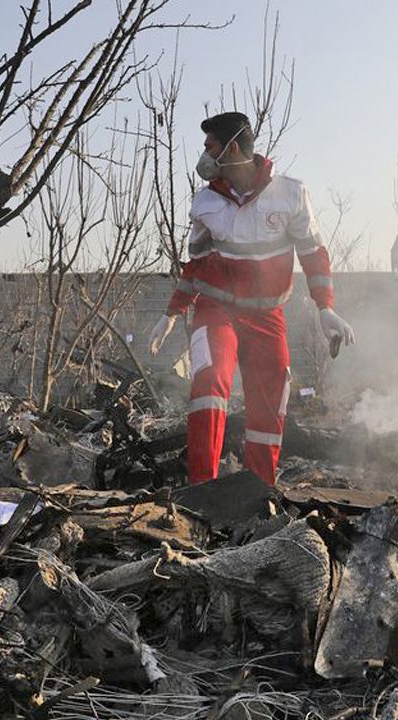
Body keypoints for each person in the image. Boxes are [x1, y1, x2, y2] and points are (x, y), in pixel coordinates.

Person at [148, 111, 355, 485]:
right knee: (210, 383)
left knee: (272, 396)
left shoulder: (290, 194)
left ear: (234, 146)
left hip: (267, 315)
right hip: (216, 311)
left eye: (210, 146)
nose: (205, 155)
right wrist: (172, 313)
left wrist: (326, 307)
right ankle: (202, 490)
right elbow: (195, 265)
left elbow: (313, 252)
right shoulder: (205, 203)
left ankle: (259, 492)